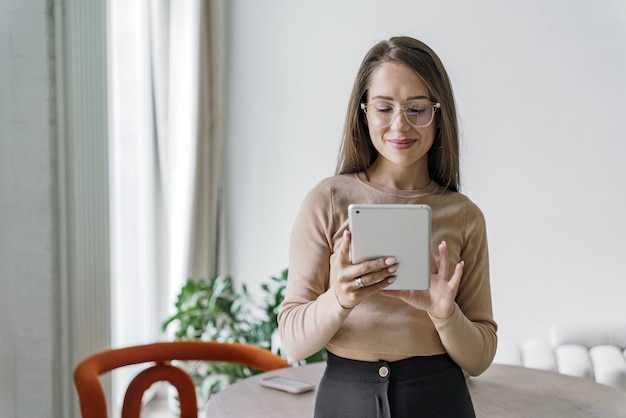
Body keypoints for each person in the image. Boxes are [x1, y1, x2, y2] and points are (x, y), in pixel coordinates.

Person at [278, 36, 497, 418]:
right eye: (384, 108)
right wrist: (340, 298)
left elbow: (479, 358)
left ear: (438, 113)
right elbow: (293, 344)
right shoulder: (327, 200)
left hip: (440, 398)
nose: (401, 125)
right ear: (363, 112)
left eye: (417, 108)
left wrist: (445, 314)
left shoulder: (464, 215)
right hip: (345, 398)